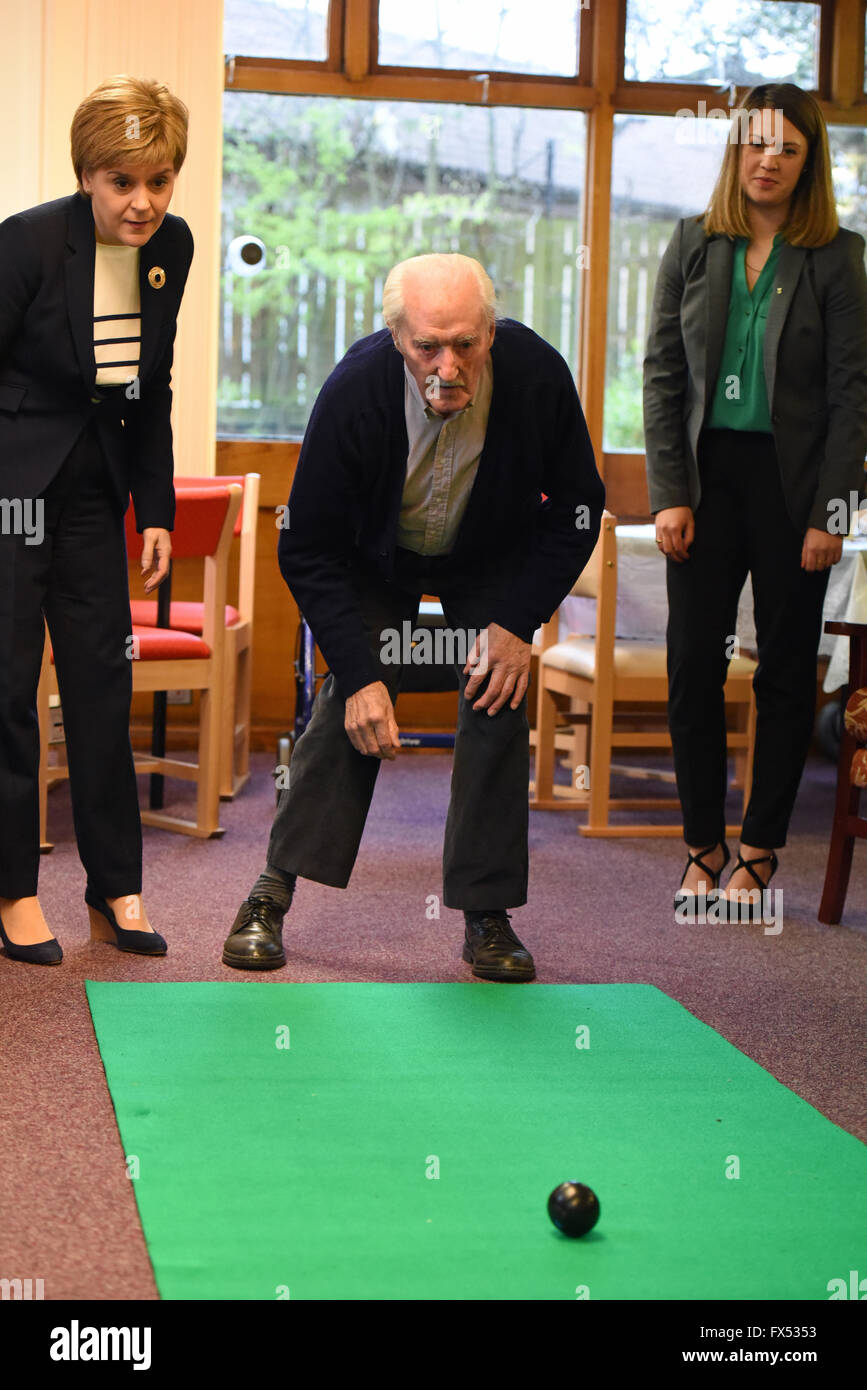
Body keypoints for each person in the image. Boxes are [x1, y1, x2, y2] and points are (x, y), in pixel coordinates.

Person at [223, 252, 604, 978]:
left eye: (466, 343)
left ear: (491, 331)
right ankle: (272, 891)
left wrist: (517, 623)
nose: (447, 365)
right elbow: (305, 546)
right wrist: (365, 673)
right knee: (350, 700)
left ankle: (487, 915)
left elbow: (577, 513)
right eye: (427, 345)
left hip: (486, 554)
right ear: (396, 335)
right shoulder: (355, 390)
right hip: (378, 558)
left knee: (497, 688)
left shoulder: (535, 375)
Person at [643, 83, 867, 918]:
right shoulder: (691, 243)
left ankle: (761, 849)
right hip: (705, 485)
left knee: (781, 672)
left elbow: (854, 398)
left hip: (794, 491)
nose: (767, 161)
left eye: (787, 149)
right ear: (734, 150)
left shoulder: (837, 256)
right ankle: (701, 843)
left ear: (808, 164)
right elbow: (662, 374)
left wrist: (830, 518)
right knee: (689, 667)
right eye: (755, 144)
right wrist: (668, 493)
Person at [0, 75, 194, 963]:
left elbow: (151, 386)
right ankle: (12, 892)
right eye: (123, 182)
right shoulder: (29, 243)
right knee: (9, 696)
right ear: (89, 176)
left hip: (92, 497)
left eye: (157, 180)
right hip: (12, 493)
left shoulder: (172, 249)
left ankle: (117, 884)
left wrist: (154, 505)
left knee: (99, 691)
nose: (143, 201)